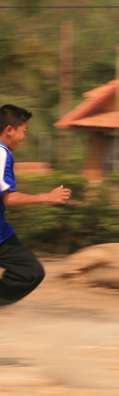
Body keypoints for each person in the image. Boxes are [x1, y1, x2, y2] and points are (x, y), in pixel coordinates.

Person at [0, 104, 73, 306]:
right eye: (24, 131)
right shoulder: (2, 153)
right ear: (9, 130)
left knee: (29, 271)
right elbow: (9, 199)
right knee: (29, 272)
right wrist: (47, 197)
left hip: (3, 233)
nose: (24, 137)